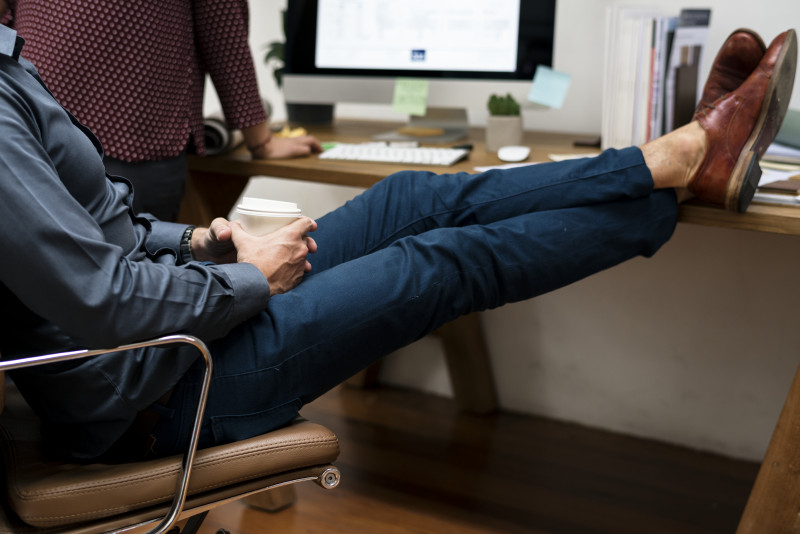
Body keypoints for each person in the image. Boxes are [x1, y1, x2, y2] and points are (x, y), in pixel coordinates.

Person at [0, 23, 796, 462]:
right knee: (437, 263)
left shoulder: (10, 68)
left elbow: (101, 222)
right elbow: (103, 302)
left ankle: (673, 159)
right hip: (154, 388)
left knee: (412, 197)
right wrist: (252, 280)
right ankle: (686, 163)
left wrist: (203, 237)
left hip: (174, 323)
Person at [0, 0, 322, 221]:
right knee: (131, 290)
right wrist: (260, 141)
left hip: (24, 118)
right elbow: (222, 26)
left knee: (38, 299)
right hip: (132, 132)